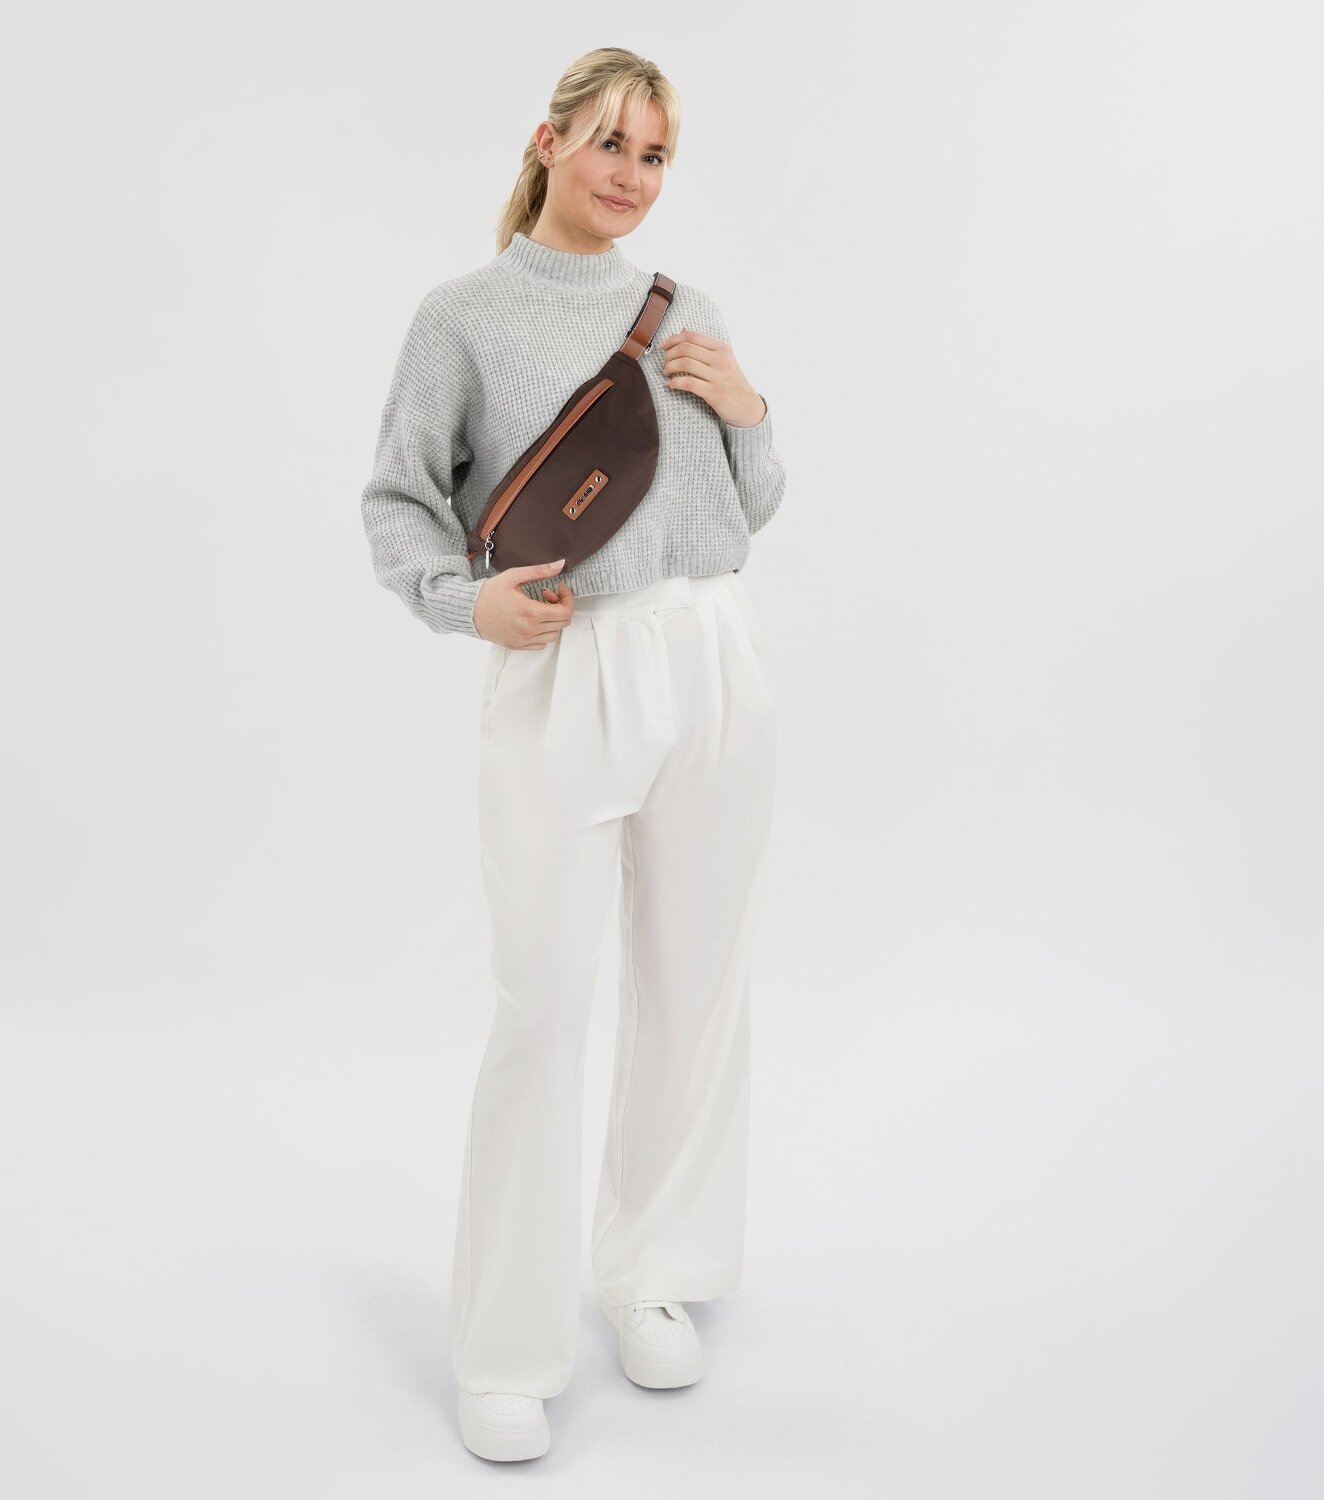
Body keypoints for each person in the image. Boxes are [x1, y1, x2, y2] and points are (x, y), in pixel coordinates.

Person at [360, 47, 786, 1462]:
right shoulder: (462, 316)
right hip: (563, 664)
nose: (631, 176)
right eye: (610, 143)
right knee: (542, 1006)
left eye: (655, 156)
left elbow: (750, 506)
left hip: (710, 652)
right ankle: (504, 1346)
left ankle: (652, 1270)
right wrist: (459, 602)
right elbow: (399, 500)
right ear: (547, 141)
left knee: (695, 984)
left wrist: (749, 408)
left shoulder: (689, 310)